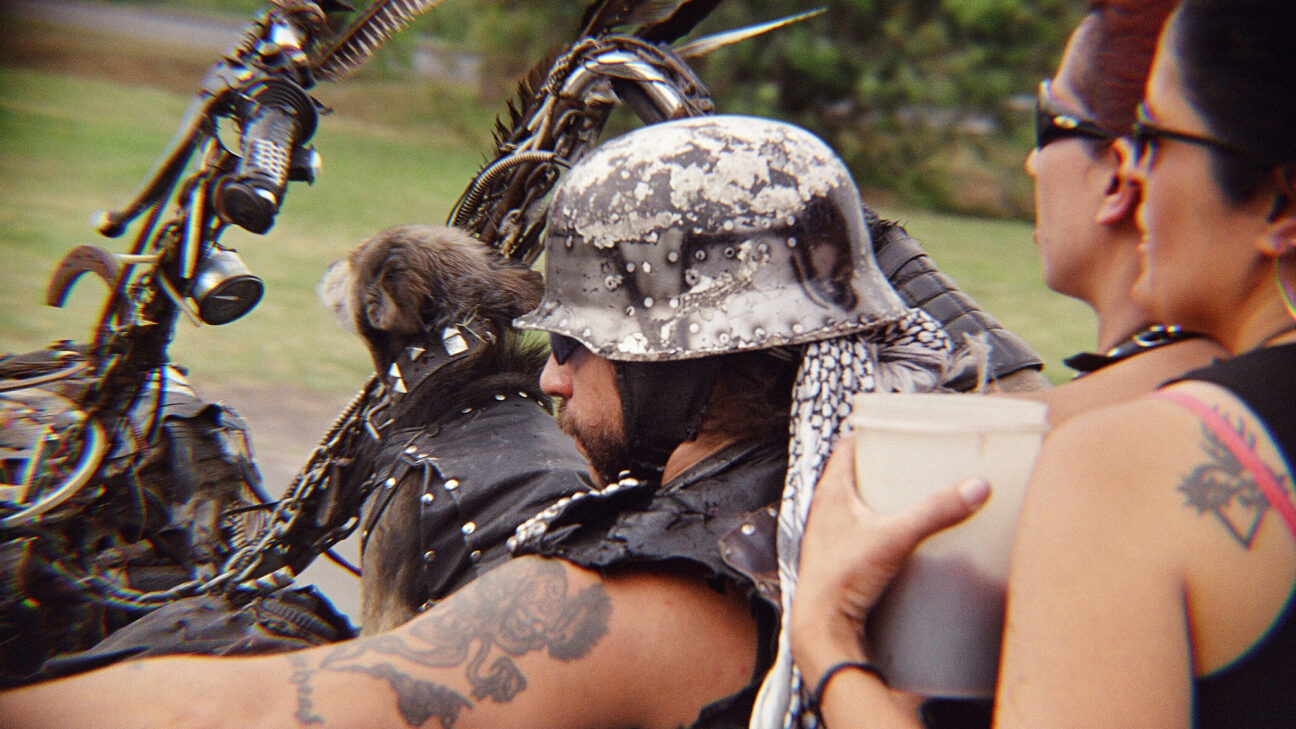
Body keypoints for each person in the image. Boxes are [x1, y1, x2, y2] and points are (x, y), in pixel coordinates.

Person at [0, 114, 967, 729]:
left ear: (675, 362)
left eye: (574, 343)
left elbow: (259, 712)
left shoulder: (651, 601)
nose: (550, 377)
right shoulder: (906, 491)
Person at [788, 1, 1296, 727]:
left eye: (1153, 138)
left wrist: (827, 642)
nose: (1135, 173)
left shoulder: (1125, 467)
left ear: (1282, 203)